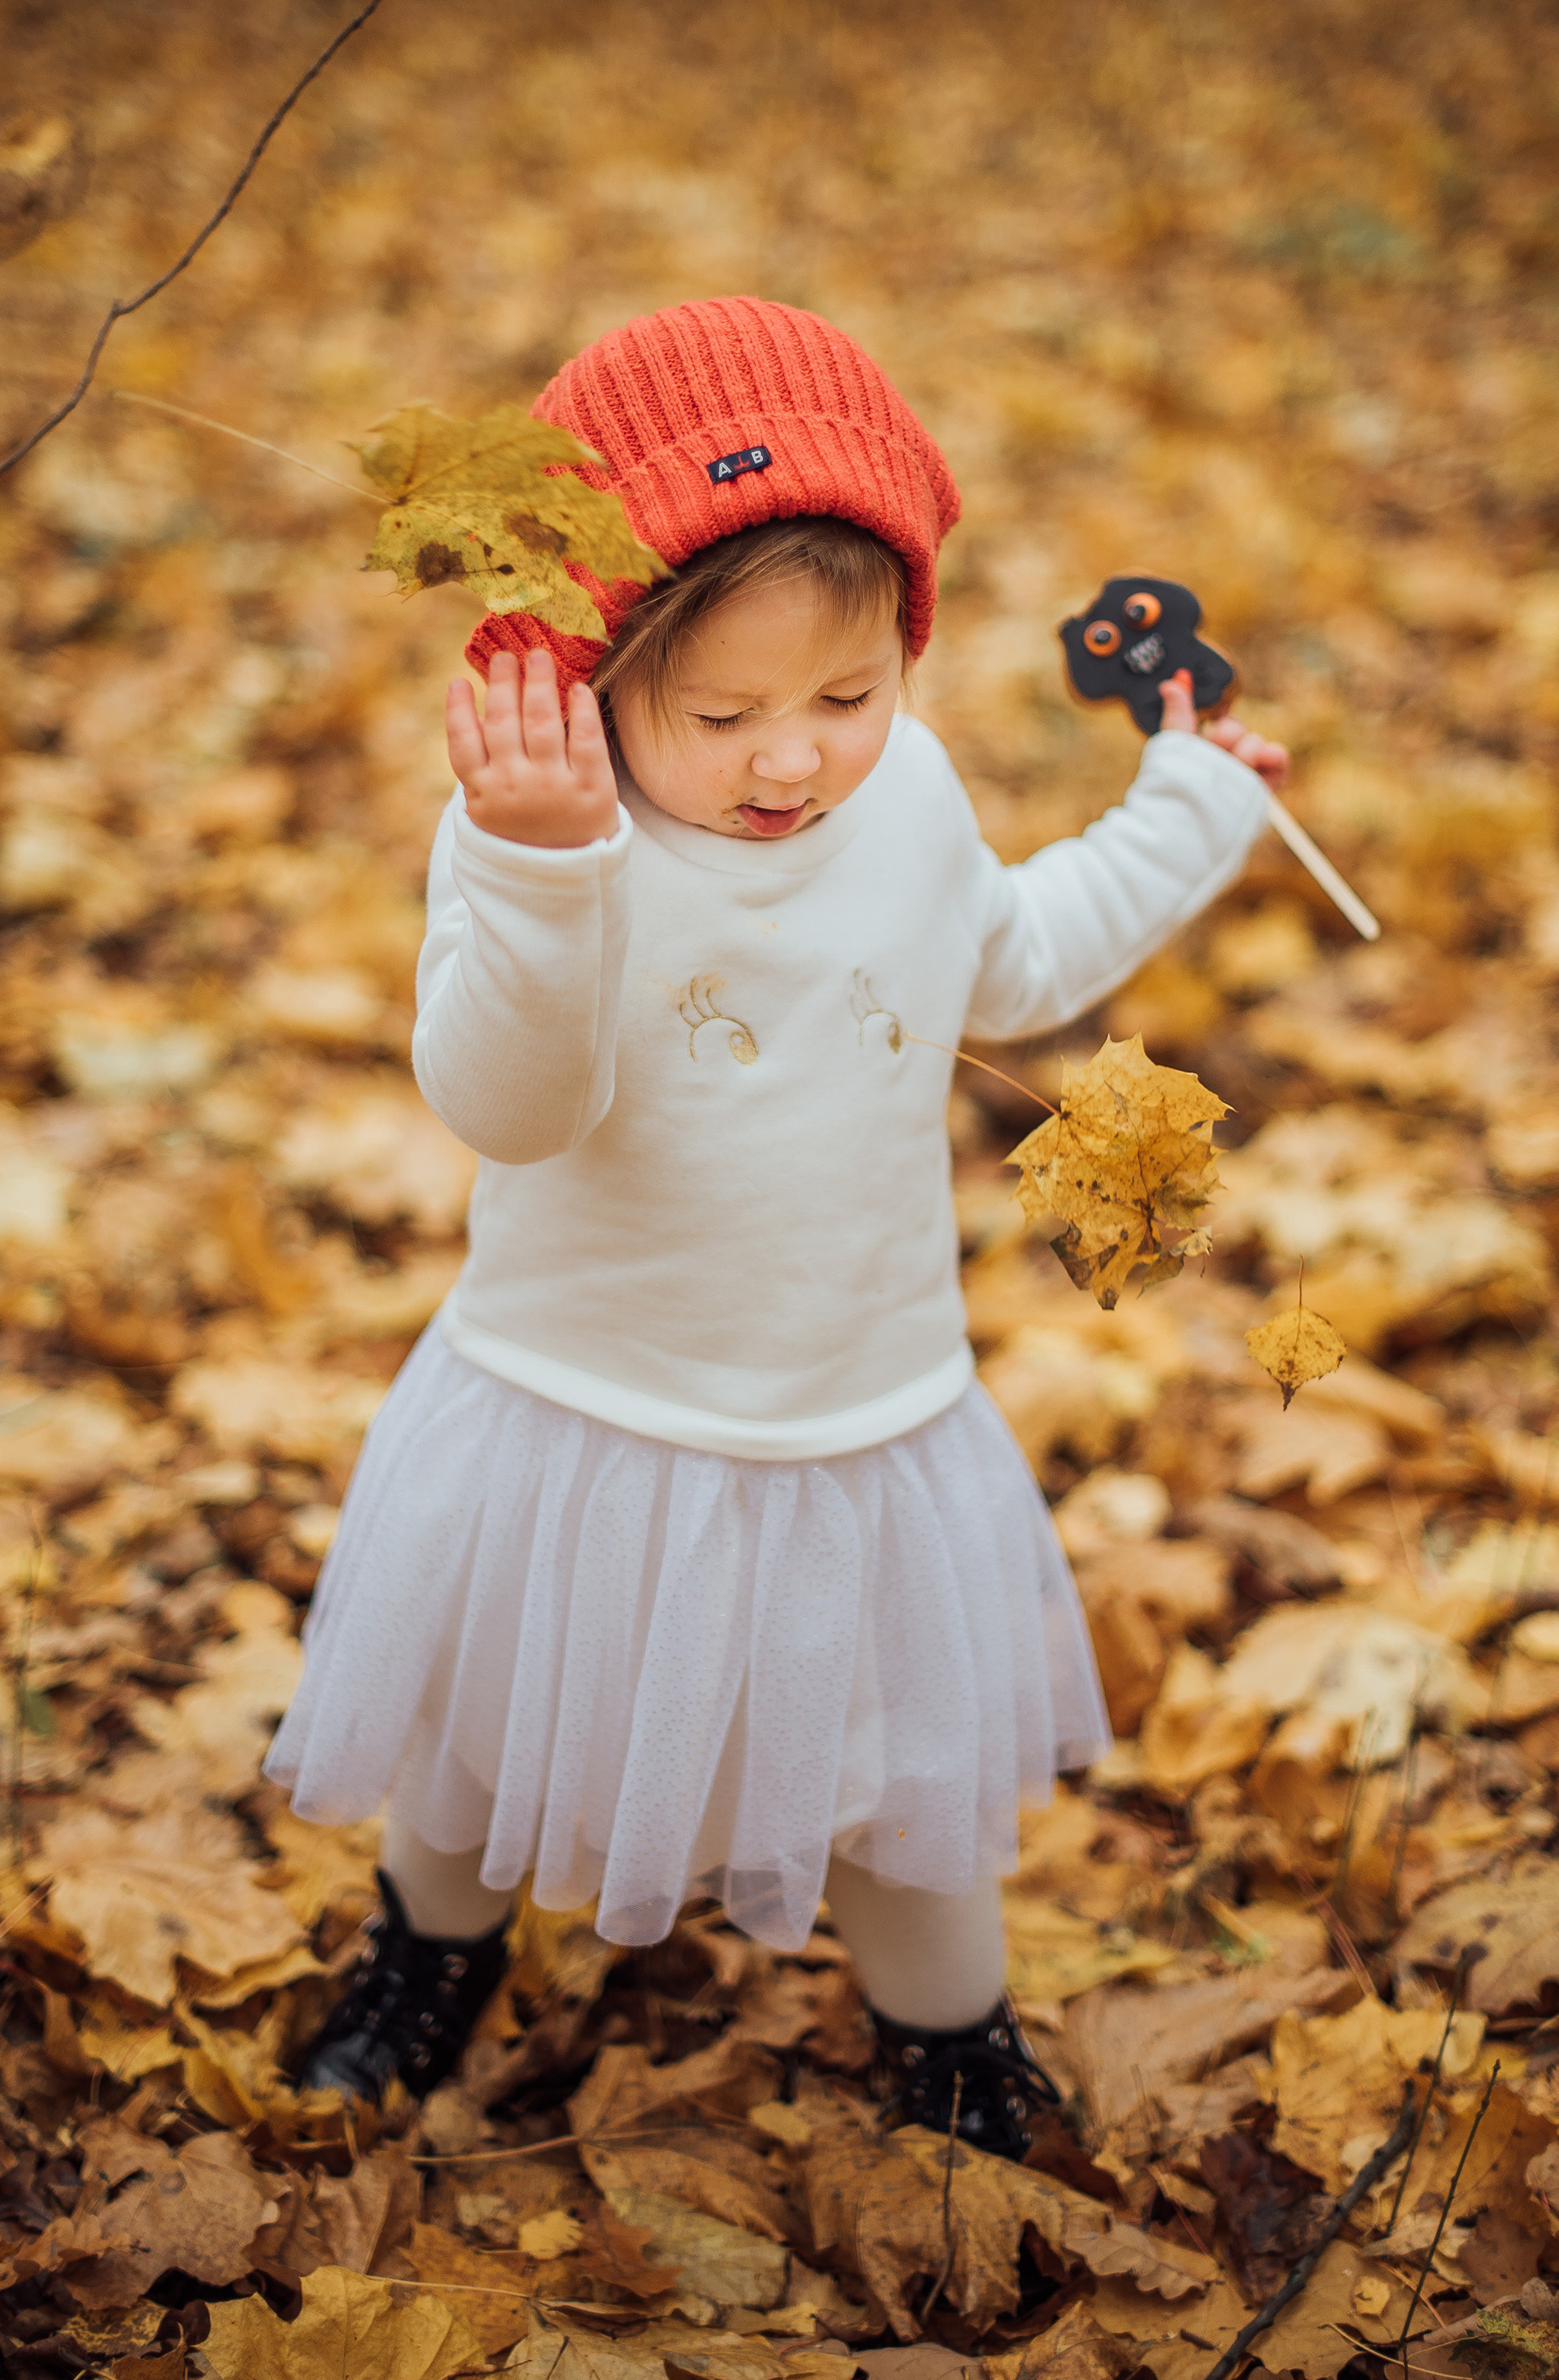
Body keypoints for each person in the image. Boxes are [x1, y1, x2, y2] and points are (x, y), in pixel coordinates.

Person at [265, 296, 1286, 2154]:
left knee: (900, 1767)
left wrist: (1188, 809)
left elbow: (1017, 955)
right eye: (719, 713)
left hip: (857, 1406)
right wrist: (544, 866)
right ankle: (429, 1952)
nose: (792, 762)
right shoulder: (540, 835)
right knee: (486, 1720)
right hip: (582, 1401)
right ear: (591, 672)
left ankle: (949, 2029)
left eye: (845, 696)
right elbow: (512, 1101)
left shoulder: (903, 796)